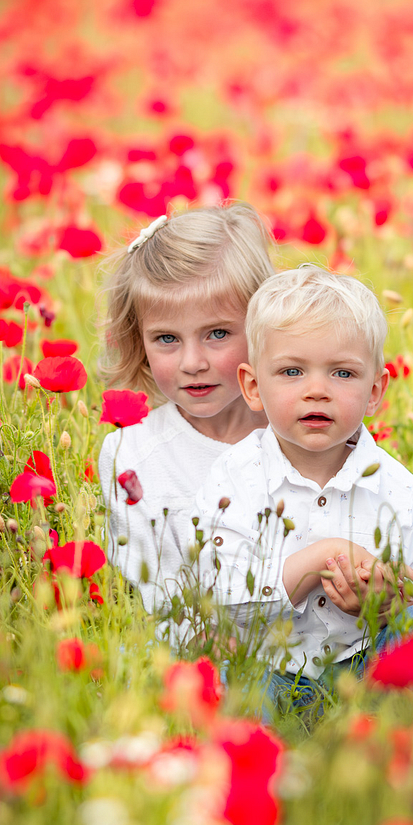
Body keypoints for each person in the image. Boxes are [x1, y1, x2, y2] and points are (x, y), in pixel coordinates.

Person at [192, 265, 413, 705]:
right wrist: (317, 559)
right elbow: (222, 593)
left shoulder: (397, 490)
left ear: (375, 391)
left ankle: (396, 736)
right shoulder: (234, 480)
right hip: (268, 667)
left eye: (342, 374)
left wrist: (392, 603)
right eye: (293, 372)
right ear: (253, 386)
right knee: (219, 664)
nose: (317, 390)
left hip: (365, 665)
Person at [98, 203, 275, 627]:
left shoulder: (300, 429)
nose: (192, 362)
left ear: (262, 326)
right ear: (138, 340)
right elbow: (152, 596)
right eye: (166, 338)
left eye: (217, 333)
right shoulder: (134, 455)